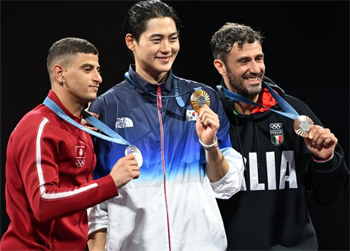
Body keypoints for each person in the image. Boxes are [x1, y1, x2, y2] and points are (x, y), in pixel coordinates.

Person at [87, 1, 244, 250]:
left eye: (173, 38)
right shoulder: (106, 107)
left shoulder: (203, 98)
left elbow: (226, 186)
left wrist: (210, 145)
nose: (167, 48)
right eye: (156, 39)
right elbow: (94, 191)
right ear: (131, 41)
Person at [210, 22, 349, 250]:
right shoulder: (212, 120)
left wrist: (325, 161)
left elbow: (330, 197)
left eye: (259, 58)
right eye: (244, 61)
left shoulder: (293, 112)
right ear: (221, 67)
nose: (255, 69)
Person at [0, 37, 140, 250]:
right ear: (60, 74)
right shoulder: (38, 126)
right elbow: (43, 202)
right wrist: (111, 182)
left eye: (98, 69)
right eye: (87, 69)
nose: (98, 78)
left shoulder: (81, 126)